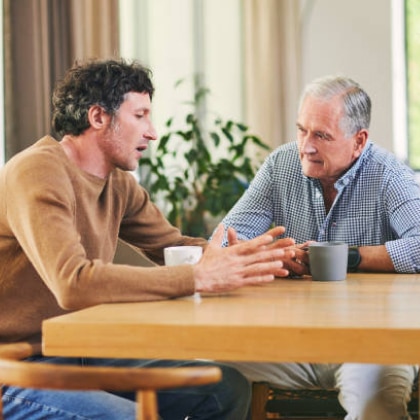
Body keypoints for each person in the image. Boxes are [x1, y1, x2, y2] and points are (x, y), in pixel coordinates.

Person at [0, 58, 296, 420]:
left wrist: (246, 257)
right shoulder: (37, 172)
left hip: (82, 351)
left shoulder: (118, 183)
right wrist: (199, 277)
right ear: (98, 117)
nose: (152, 132)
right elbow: (72, 283)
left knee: (224, 388)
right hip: (16, 369)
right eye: (140, 116)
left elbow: (171, 246)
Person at [218, 75, 420, 419]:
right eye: (302, 130)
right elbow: (227, 237)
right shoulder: (281, 165)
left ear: (359, 141)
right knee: (201, 374)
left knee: (378, 408)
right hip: (291, 340)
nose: (306, 146)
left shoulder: (388, 175)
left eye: (321, 136)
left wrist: (347, 257)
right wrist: (271, 255)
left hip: (371, 343)